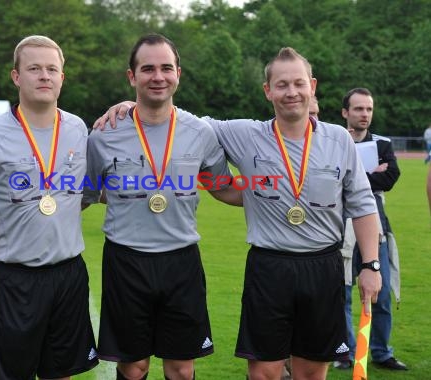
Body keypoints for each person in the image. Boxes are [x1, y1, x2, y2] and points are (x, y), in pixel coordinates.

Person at [96, 47, 382, 380]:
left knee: (310, 373)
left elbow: (363, 204)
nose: (291, 93)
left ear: (312, 86)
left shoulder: (339, 139)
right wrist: (133, 106)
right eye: (282, 85)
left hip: (324, 266)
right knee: (263, 373)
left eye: (299, 84)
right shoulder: (245, 133)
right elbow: (173, 117)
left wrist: (371, 265)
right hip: (268, 267)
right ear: (268, 91)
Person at [83, 34, 241, 380]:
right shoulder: (103, 135)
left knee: (182, 369)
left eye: (166, 68)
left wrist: (281, 193)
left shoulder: (201, 132)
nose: (158, 76)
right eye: (148, 68)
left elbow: (223, 187)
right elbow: (85, 194)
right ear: (132, 76)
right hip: (126, 261)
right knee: (134, 366)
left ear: (178, 74)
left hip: (181, 261)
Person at [0, 35, 99, 380]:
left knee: (60, 374)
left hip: (68, 275)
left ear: (63, 77)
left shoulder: (78, 129)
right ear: (16, 76)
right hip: (10, 281)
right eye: (34, 68)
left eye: (52, 69)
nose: (44, 76)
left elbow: (86, 193)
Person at [334, 87, 406, 371]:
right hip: (340, 227)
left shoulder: (382, 144)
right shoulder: (334, 141)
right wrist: (368, 176)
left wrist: (356, 178)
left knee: (382, 291)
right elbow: (333, 179)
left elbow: (390, 178)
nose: (364, 114)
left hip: (375, 226)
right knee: (343, 293)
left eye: (368, 109)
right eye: (358, 109)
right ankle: (346, 352)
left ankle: (381, 352)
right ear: (345, 113)